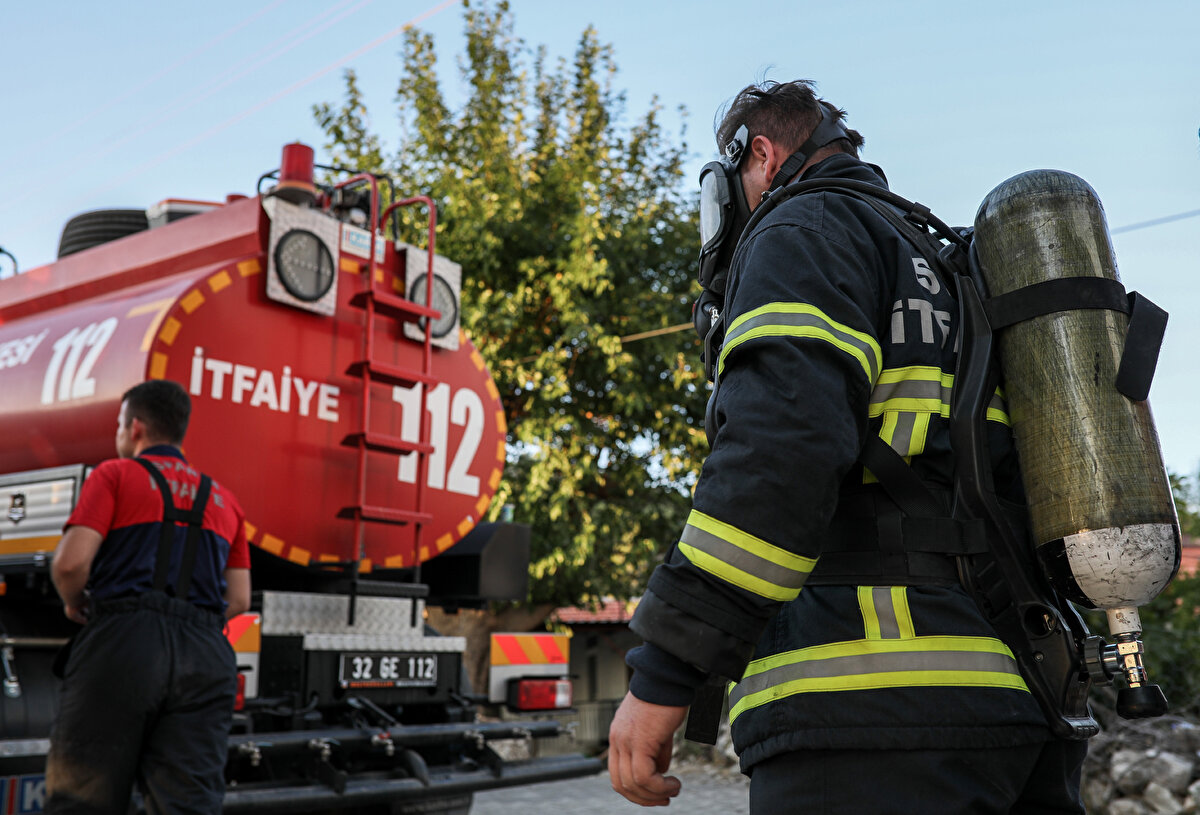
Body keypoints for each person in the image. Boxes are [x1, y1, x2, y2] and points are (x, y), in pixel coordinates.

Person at [608, 80, 1086, 813]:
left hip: (870, 714)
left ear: (760, 156)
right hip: (1019, 703)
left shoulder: (804, 230)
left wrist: (664, 674)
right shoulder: (947, 264)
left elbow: (778, 460)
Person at [45, 379, 251, 815]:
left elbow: (69, 564)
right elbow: (239, 600)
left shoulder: (115, 475)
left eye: (120, 425)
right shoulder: (225, 500)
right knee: (187, 805)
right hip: (206, 654)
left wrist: (74, 600)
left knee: (84, 797)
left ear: (135, 427)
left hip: (124, 642)